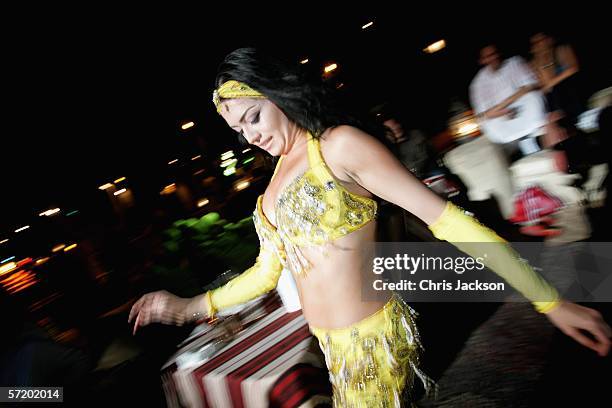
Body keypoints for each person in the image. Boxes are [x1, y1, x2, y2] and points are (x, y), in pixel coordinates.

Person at [129, 48, 611, 406]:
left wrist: (549, 300)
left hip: (372, 343)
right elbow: (264, 273)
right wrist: (189, 307)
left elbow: (449, 222)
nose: (251, 135)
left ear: (277, 96)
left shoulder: (337, 147)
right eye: (240, 130)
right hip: (332, 350)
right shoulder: (272, 184)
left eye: (254, 117)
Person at [470, 44, 550, 158]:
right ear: (482, 60)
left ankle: (529, 141)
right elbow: (483, 115)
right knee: (489, 124)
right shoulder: (478, 83)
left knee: (533, 98)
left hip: (522, 106)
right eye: (488, 56)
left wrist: (506, 105)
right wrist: (505, 111)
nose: (493, 58)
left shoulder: (514, 62)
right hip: (499, 117)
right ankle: (527, 142)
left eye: (494, 54)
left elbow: (529, 87)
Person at [529, 32, 587, 124]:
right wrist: (541, 60)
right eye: (535, 43)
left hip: (572, 91)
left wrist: (549, 84)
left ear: (549, 39)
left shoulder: (561, 49)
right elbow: (547, 86)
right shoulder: (534, 63)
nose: (539, 44)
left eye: (541, 40)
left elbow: (573, 68)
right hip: (556, 102)